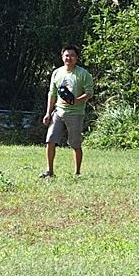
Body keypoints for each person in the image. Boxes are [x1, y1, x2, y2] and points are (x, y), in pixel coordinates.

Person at [40, 45, 94, 178]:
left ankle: (77, 173)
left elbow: (89, 93)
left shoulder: (83, 74)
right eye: (66, 55)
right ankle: (50, 171)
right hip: (58, 112)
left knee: (75, 144)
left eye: (72, 56)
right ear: (62, 57)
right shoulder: (57, 73)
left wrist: (76, 101)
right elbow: (52, 94)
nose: (69, 58)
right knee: (50, 140)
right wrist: (48, 113)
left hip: (75, 113)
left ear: (77, 58)